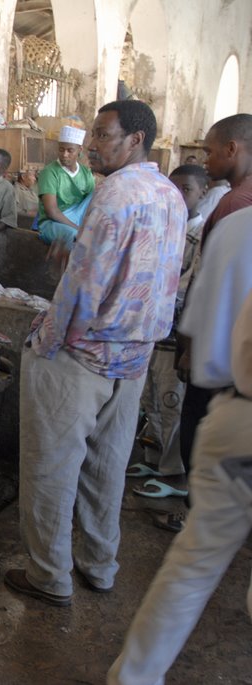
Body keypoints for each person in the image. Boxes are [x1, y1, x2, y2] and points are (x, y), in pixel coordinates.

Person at [4, 100, 186, 606]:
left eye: (103, 135)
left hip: (82, 356)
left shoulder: (114, 193)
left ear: (135, 140)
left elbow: (84, 289)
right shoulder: (170, 194)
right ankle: (100, 566)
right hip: (134, 359)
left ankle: (49, 576)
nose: (91, 145)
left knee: (51, 470)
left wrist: (46, 342)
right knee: (107, 468)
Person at [107, 205, 252, 685]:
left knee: (194, 564)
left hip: (238, 414)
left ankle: (134, 676)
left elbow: (205, 334)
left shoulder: (237, 226)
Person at [171, 113, 252, 532]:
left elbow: (209, 282)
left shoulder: (235, 207)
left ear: (233, 150)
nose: (205, 160)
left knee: (198, 434)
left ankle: (198, 513)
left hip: (222, 353)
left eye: (209, 151)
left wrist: (189, 349)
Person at [129, 165, 208, 505]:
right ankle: (153, 459)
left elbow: (189, 285)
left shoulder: (199, 232)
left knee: (171, 401)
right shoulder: (166, 225)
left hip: (175, 335)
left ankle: (174, 473)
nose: (177, 195)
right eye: (172, 188)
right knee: (150, 398)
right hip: (153, 331)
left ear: (202, 193)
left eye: (186, 189)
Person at [35, 125, 96, 247]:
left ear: (80, 150)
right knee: (73, 235)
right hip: (52, 223)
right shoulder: (50, 172)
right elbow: (51, 212)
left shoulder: (85, 173)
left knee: (97, 194)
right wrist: (79, 229)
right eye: (61, 150)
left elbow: (91, 204)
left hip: (77, 218)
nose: (64, 154)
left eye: (70, 150)